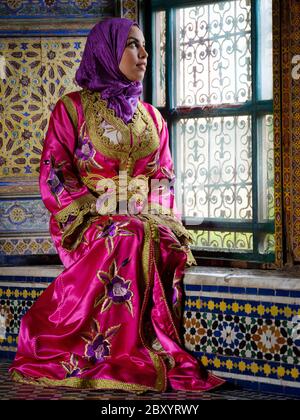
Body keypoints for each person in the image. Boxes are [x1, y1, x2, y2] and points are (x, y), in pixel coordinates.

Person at [9, 18, 224, 393]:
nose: (143, 54)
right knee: (127, 234)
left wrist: (154, 209)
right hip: (87, 221)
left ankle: (153, 347)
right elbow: (55, 172)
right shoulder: (72, 110)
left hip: (141, 216)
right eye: (132, 46)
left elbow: (164, 176)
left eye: (143, 46)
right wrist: (101, 206)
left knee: (165, 240)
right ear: (107, 52)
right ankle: (113, 352)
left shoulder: (152, 117)